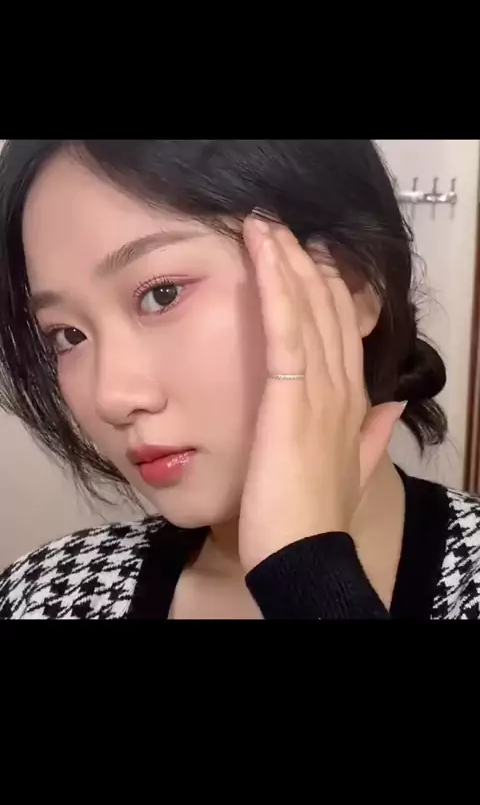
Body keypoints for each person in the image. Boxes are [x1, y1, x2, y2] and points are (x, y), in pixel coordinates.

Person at [0, 139, 478, 620]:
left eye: (161, 295)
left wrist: (307, 570)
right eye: (68, 335)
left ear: (350, 285)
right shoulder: (41, 594)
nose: (111, 397)